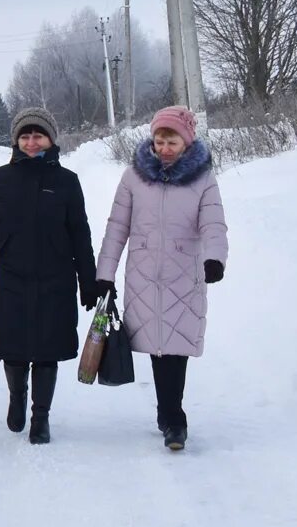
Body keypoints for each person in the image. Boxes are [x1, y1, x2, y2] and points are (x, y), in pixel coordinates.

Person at [95, 105, 229, 452]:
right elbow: (117, 227)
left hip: (184, 275)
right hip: (143, 274)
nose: (165, 148)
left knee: (175, 348)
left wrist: (215, 259)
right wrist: (104, 274)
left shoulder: (203, 179)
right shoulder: (133, 177)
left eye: (172, 141)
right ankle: (166, 411)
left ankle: (174, 420)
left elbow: (213, 223)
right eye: (160, 141)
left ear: (186, 142)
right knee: (156, 347)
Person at [0, 107, 97, 445]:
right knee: (14, 349)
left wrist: (88, 279)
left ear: (51, 139)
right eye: (25, 135)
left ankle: (41, 418)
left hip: (57, 279)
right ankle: (17, 397)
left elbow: (80, 233)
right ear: (16, 140)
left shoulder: (67, 182)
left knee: (47, 350)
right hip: (13, 277)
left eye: (38, 135)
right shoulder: (0, 180)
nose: (31, 141)